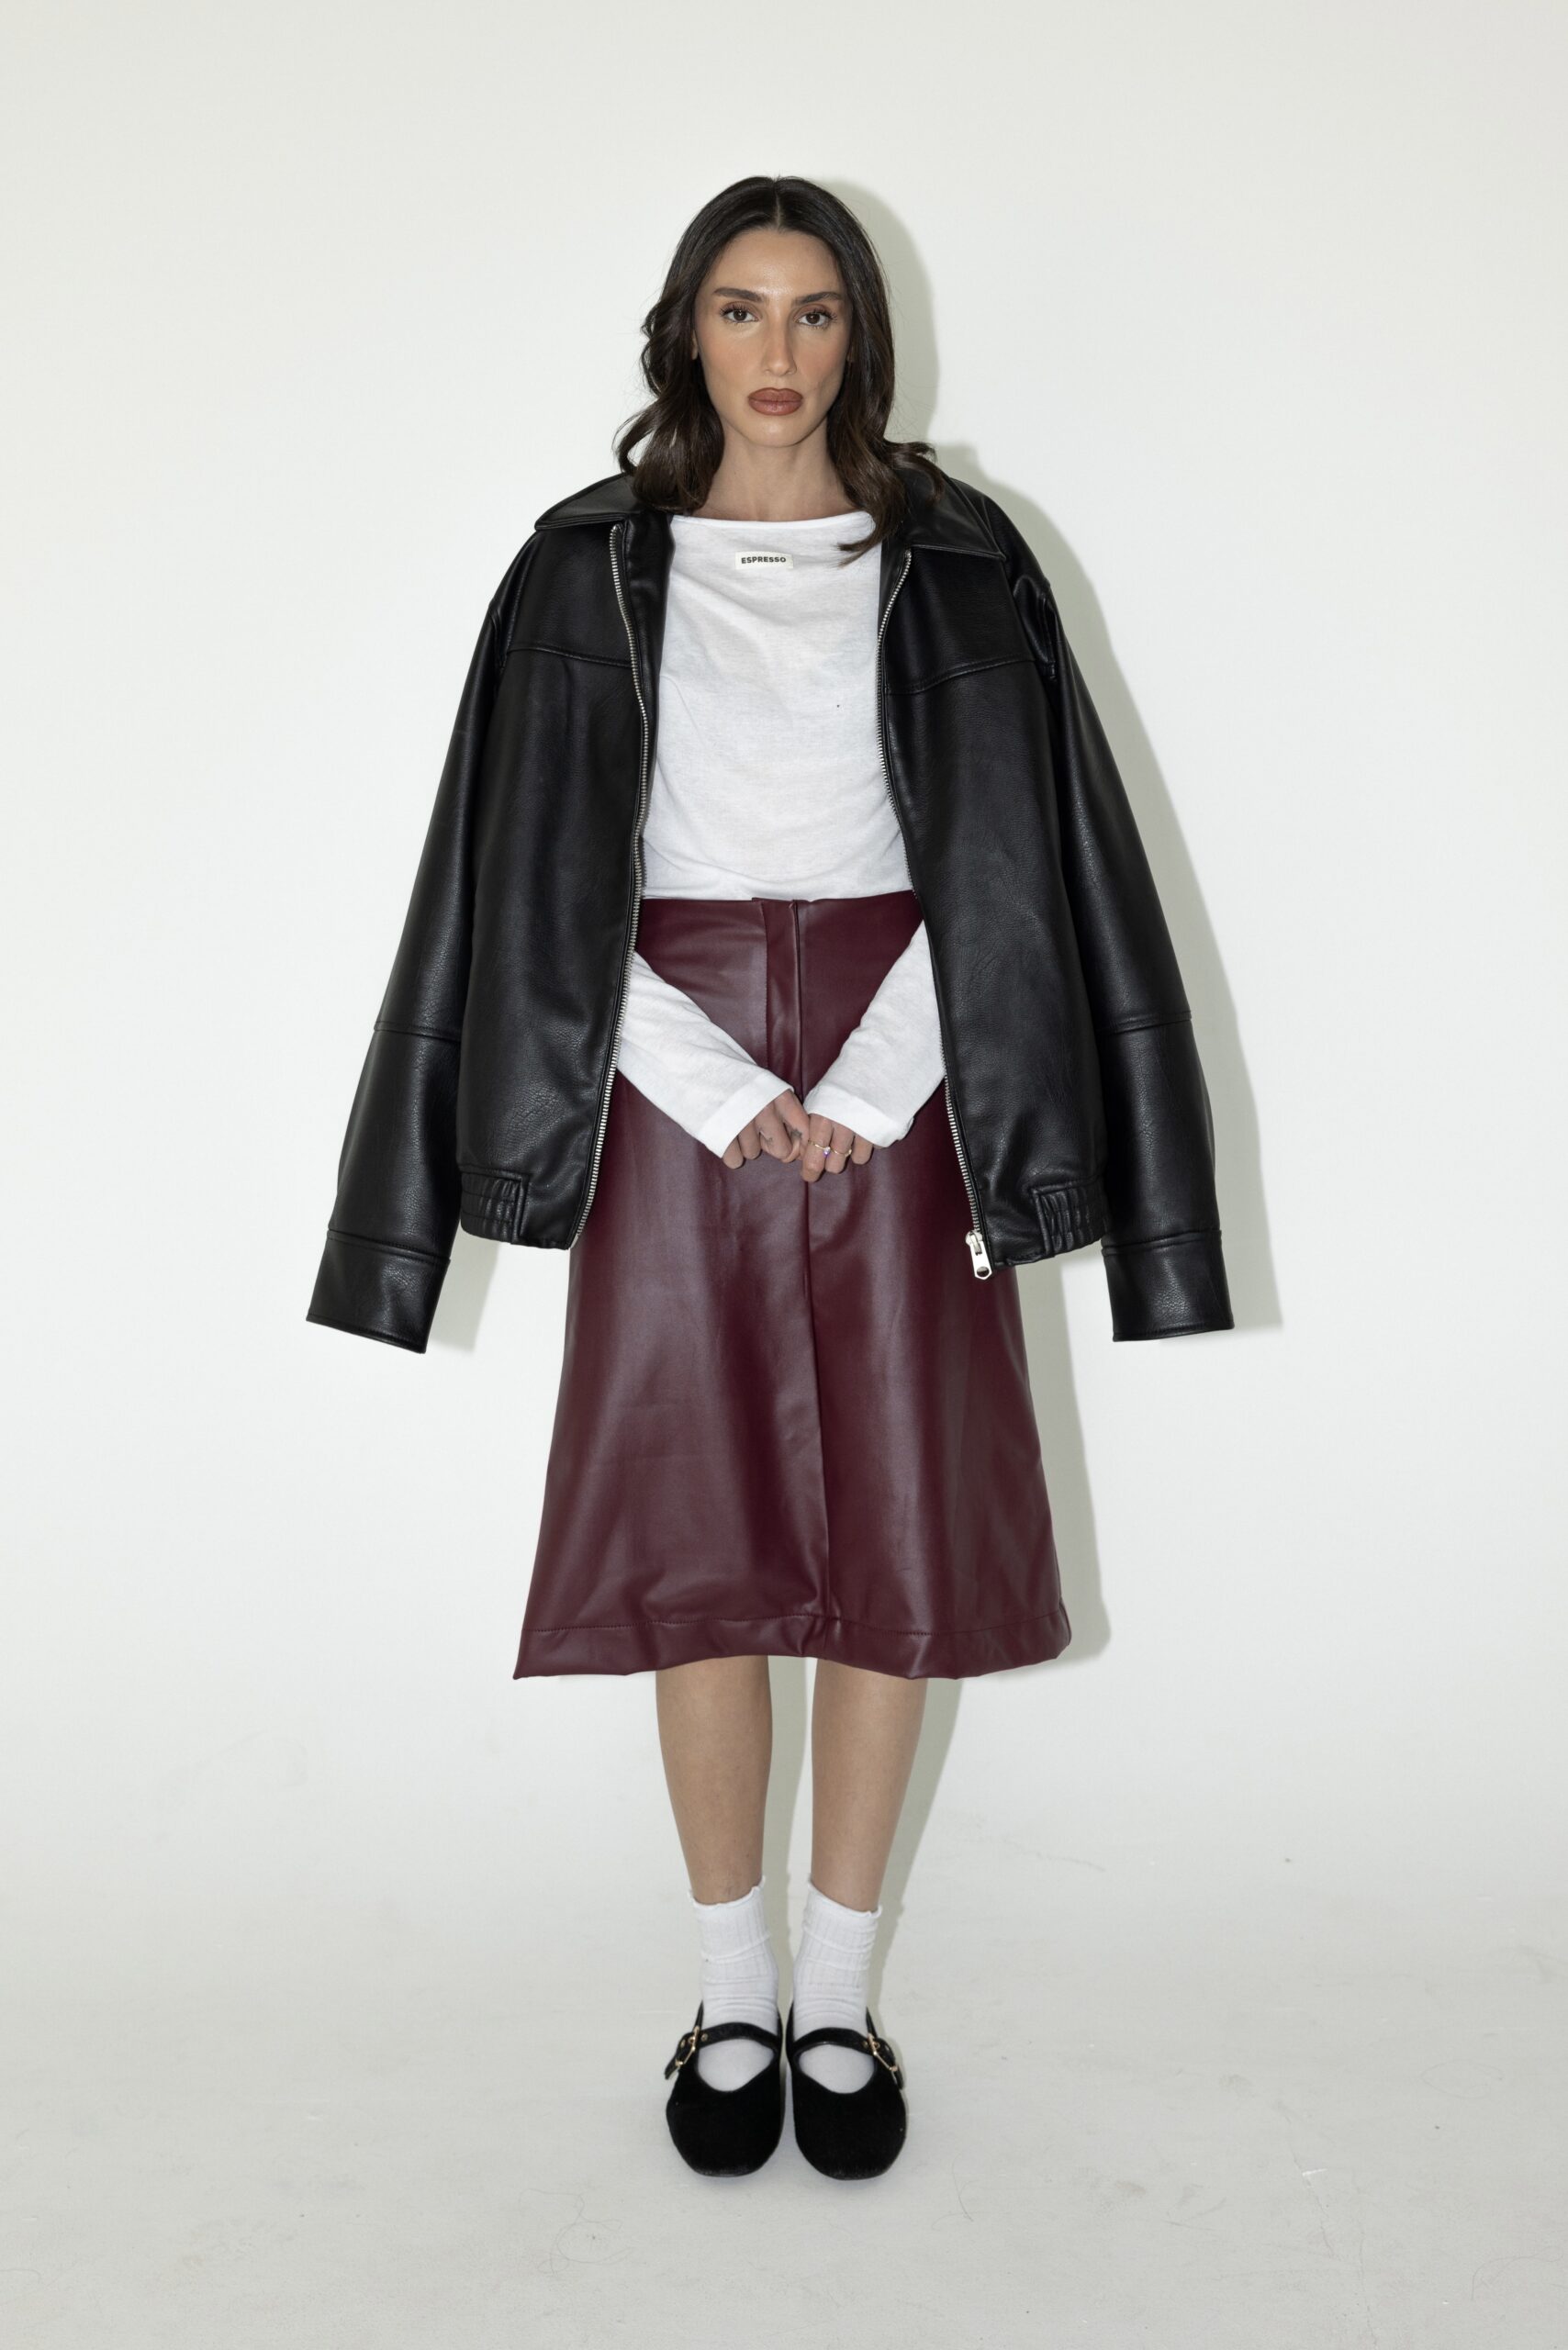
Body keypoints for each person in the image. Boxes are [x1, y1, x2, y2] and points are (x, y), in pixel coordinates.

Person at [306, 174, 1234, 2185]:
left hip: (918, 1050)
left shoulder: (963, 557)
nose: (780, 352)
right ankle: (730, 1990)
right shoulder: (580, 566)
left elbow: (1016, 862)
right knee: (696, 1534)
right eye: (741, 310)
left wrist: (883, 1082)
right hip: (661, 1064)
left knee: (896, 1533)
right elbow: (531, 879)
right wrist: (722, 1088)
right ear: (687, 334)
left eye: (816, 313)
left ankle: (836, 1994)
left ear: (859, 339)